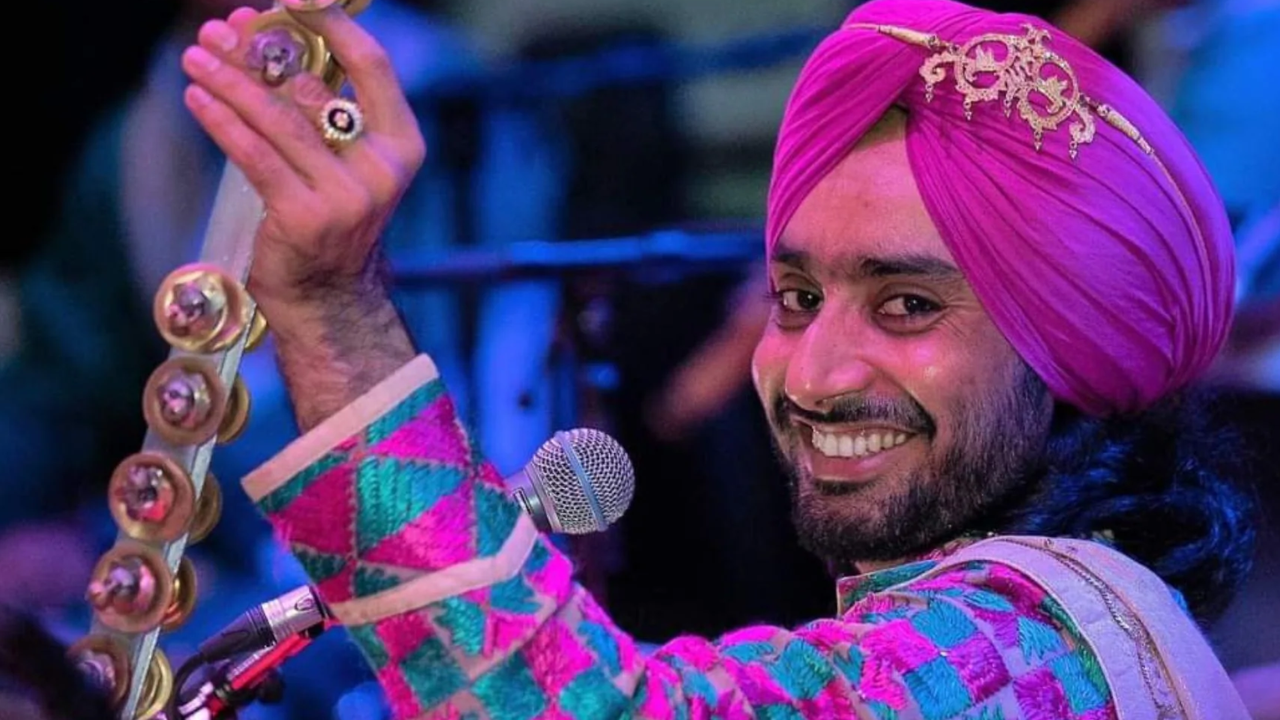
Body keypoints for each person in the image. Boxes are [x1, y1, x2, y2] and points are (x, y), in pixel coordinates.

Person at [178, 0, 1260, 717]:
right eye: (795, 299)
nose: (814, 375)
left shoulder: (1022, 650)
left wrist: (330, 309)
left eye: (906, 305)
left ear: (1071, 348)